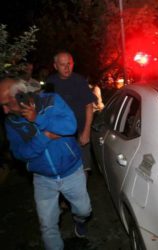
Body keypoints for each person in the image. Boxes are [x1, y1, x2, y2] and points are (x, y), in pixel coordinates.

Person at [0, 77, 92, 250]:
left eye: (7, 104)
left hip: (71, 171)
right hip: (43, 179)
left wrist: (38, 119)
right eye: (2, 106)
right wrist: (46, 136)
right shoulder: (11, 122)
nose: (5, 111)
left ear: (20, 96)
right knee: (47, 226)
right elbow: (20, 153)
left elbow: (69, 126)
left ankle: (79, 221)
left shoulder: (51, 100)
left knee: (84, 211)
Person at [46, 51, 96, 176]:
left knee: (84, 168)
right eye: (62, 65)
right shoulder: (50, 82)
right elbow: (47, 107)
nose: (67, 68)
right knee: (65, 168)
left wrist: (86, 132)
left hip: (80, 131)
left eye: (69, 64)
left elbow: (89, 106)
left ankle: (81, 193)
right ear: (55, 66)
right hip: (59, 134)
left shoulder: (79, 81)